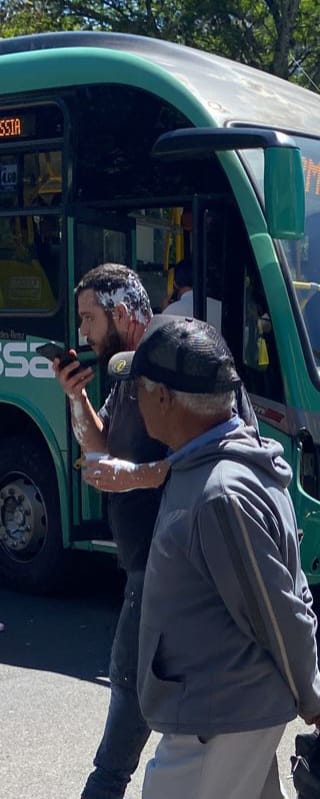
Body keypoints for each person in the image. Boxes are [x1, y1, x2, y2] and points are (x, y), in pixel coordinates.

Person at [105, 316, 320, 798]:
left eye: (137, 390)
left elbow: (279, 609)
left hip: (217, 718)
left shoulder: (222, 491)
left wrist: (312, 697)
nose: (133, 404)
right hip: (222, 709)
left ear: (164, 397)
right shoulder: (208, 467)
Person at [52, 263, 169, 799]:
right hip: (143, 568)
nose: (82, 334)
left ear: (120, 313)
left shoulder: (177, 360)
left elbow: (217, 456)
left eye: (89, 319)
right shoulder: (124, 370)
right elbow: (99, 447)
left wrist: (136, 475)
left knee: (131, 713)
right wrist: (75, 399)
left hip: (174, 570)